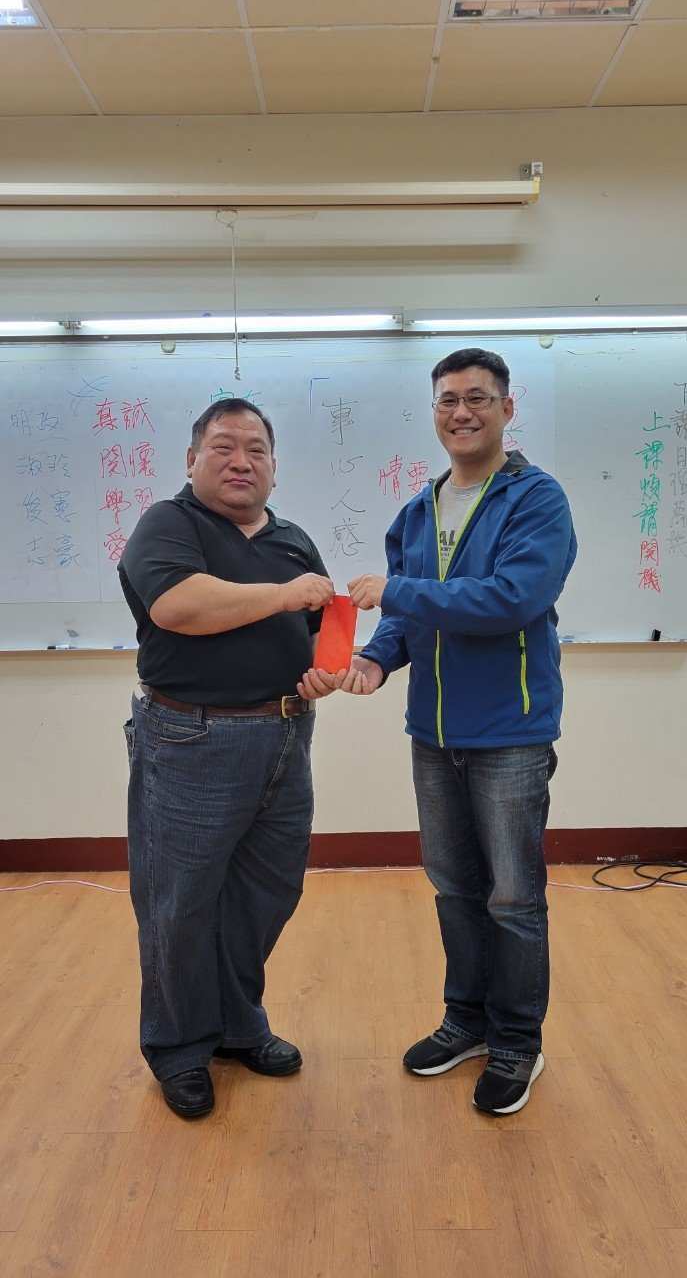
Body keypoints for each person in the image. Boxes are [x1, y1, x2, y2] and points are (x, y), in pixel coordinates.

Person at [311, 347, 577, 1116]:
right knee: (455, 889)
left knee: (513, 898)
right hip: (432, 734)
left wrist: (399, 591)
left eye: (477, 398)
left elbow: (510, 599)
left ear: (506, 408)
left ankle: (517, 1043)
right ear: (434, 413)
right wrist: (374, 659)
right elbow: (406, 618)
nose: (462, 412)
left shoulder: (536, 500)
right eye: (448, 400)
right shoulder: (416, 512)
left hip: (511, 735)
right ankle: (467, 1021)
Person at [119, 398, 334, 1118]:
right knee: (179, 904)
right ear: (192, 460)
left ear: (274, 465)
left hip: (286, 736)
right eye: (223, 447)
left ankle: (239, 1026)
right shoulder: (169, 524)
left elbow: (318, 633)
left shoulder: (294, 541)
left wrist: (325, 671)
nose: (241, 461)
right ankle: (180, 1048)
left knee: (264, 893)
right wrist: (283, 596)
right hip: (190, 739)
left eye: (256, 449)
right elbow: (179, 606)